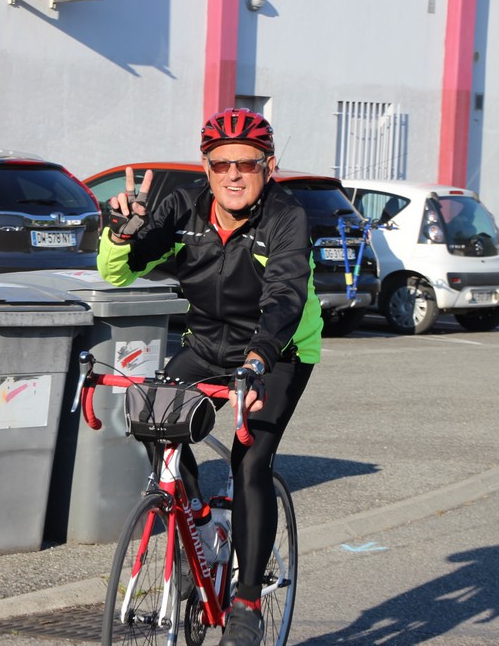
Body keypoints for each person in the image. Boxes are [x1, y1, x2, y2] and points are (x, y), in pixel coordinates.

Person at [98, 108, 321, 645]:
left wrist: (258, 361)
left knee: (250, 462)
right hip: (205, 347)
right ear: (206, 167)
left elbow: (285, 297)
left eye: (247, 164)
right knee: (153, 422)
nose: (233, 175)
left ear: (270, 167)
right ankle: (196, 518)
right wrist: (121, 236)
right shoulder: (182, 209)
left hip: (278, 351)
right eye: (221, 165)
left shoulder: (286, 218)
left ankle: (246, 602)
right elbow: (117, 273)